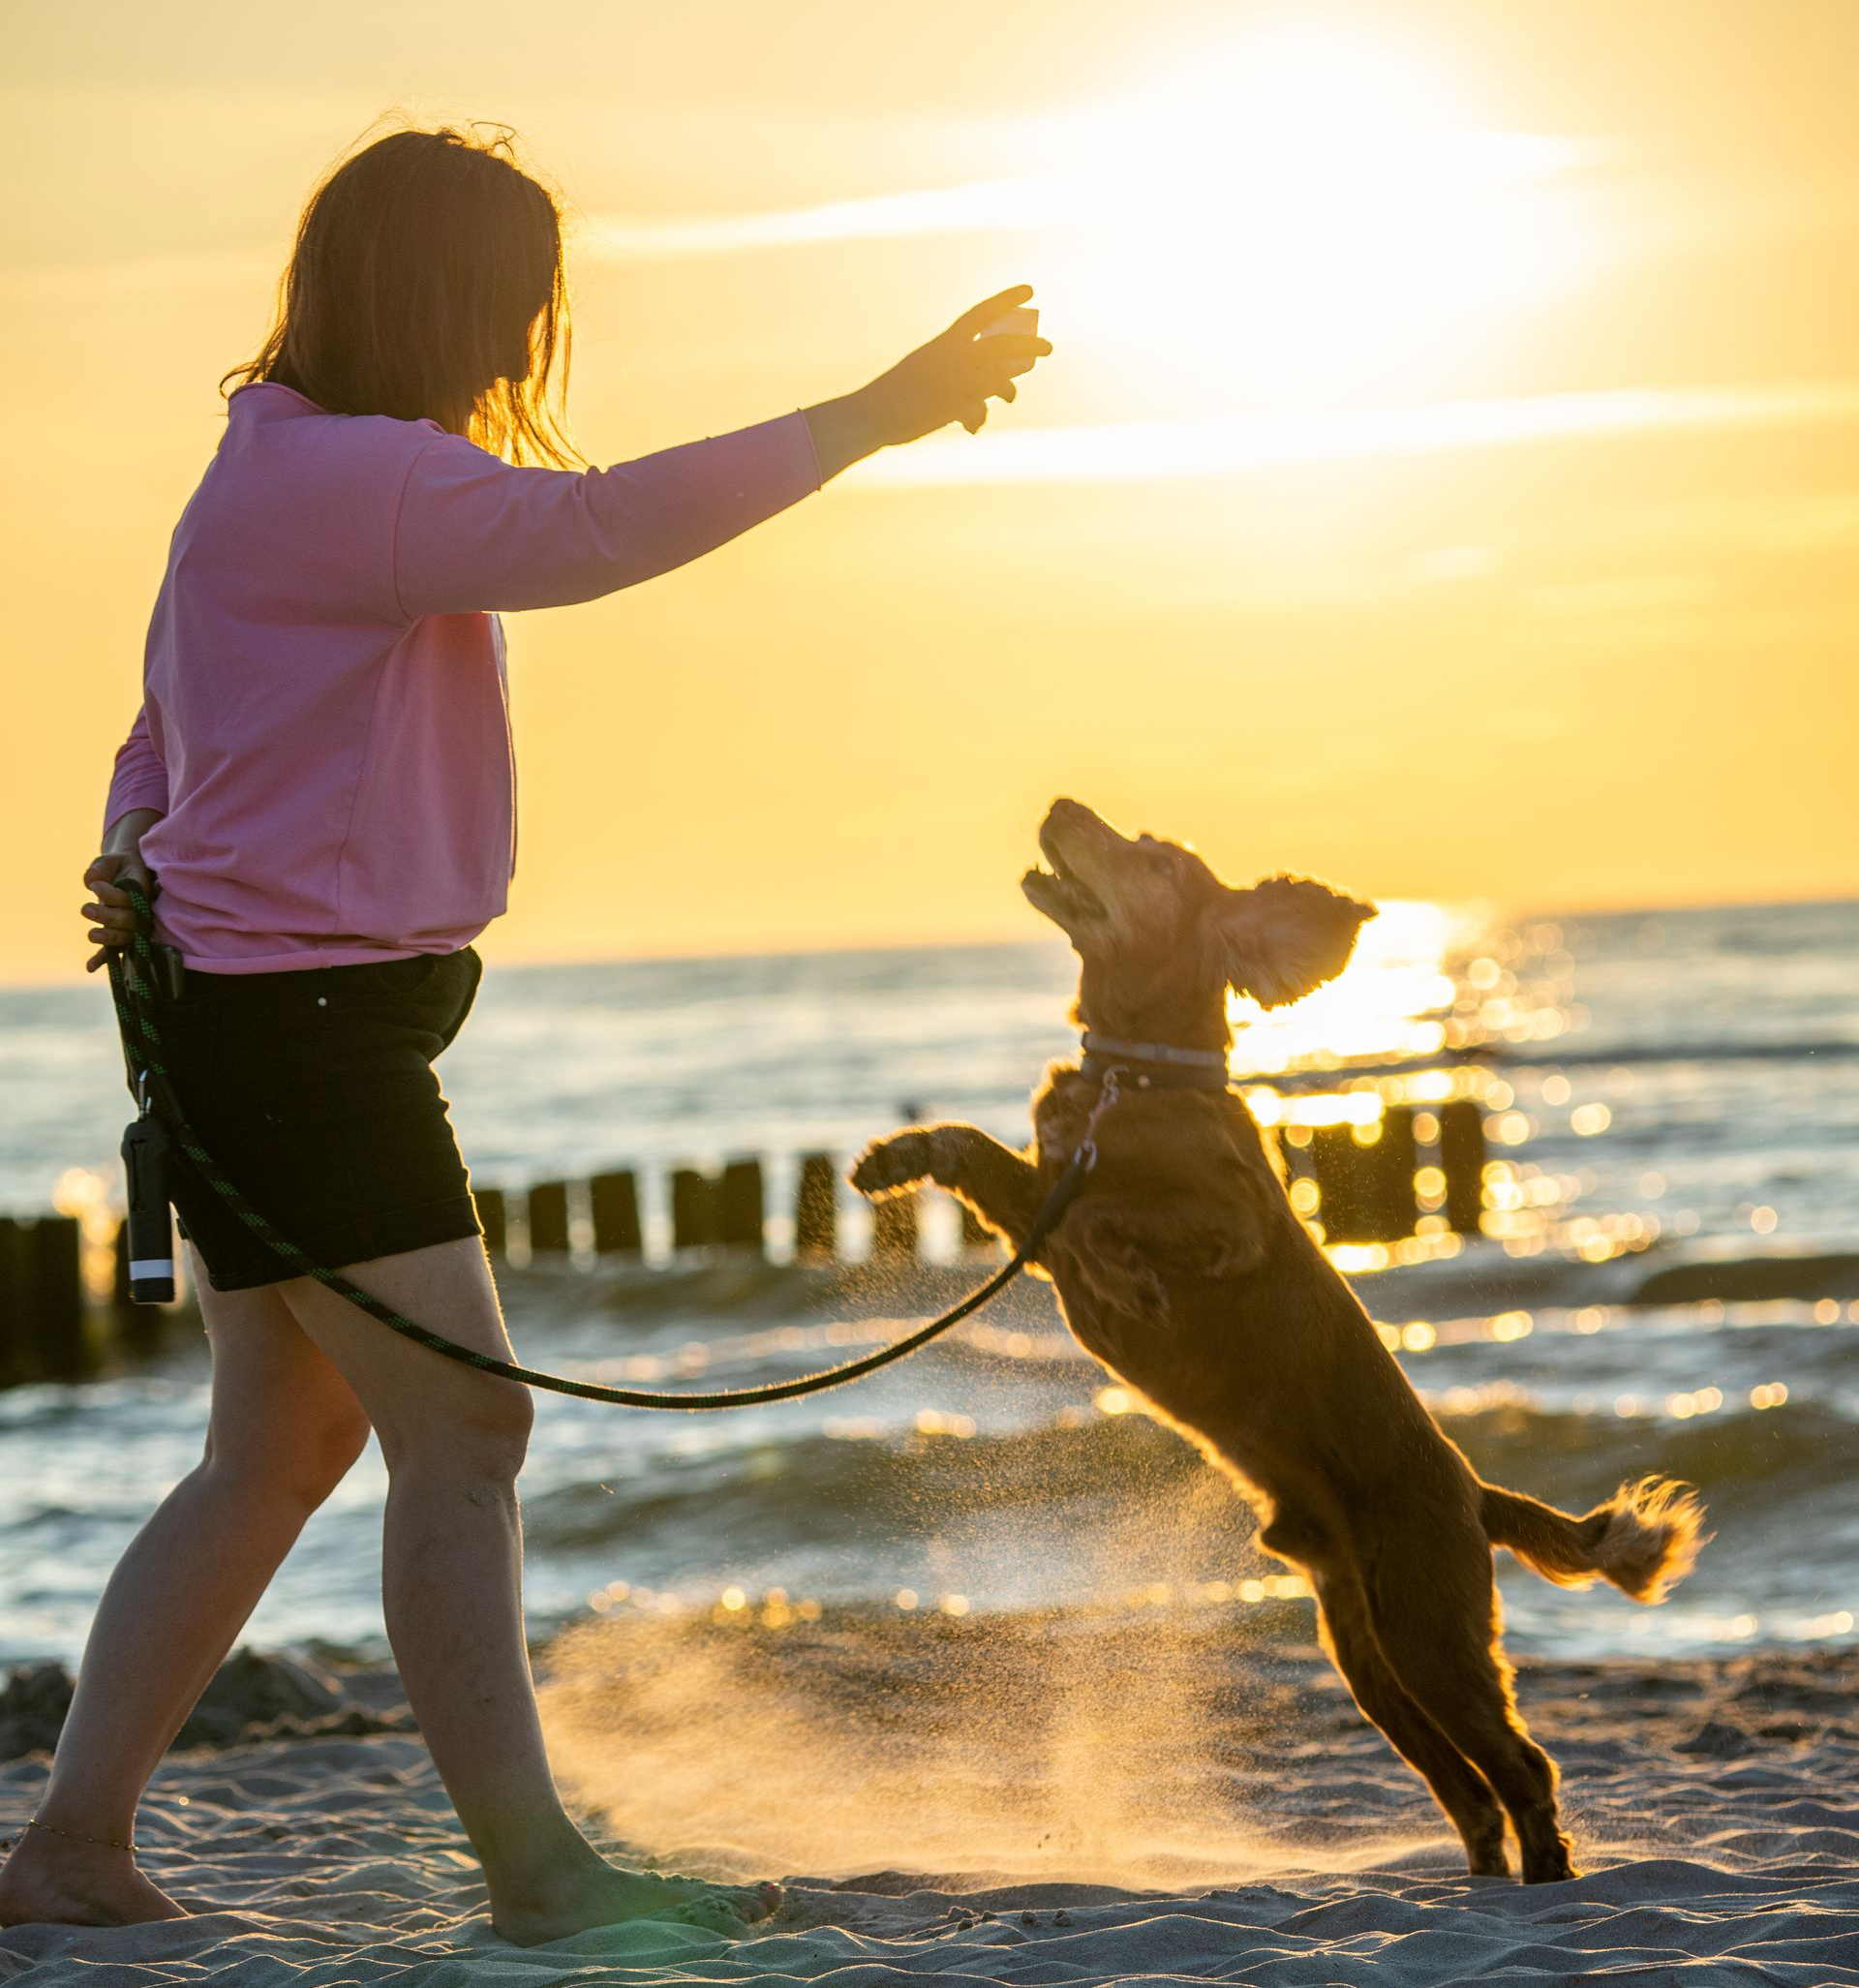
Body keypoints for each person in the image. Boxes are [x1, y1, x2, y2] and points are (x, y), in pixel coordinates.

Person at [0, 123, 1048, 1946]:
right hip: (300, 1037)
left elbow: (158, 725)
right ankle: (536, 1875)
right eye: (509, 311)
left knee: (277, 1454)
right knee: (467, 1431)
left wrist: (127, 850)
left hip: (263, 1025)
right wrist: (871, 411)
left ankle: (72, 1848)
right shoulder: (351, 480)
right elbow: (597, 530)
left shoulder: (266, 471)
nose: (521, 353)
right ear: (433, 300)